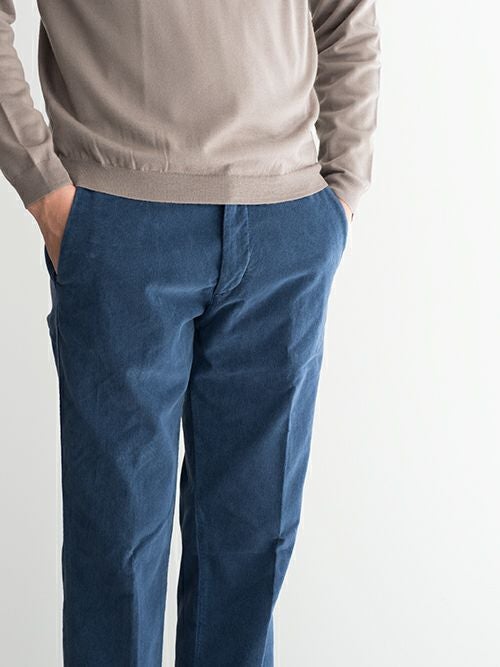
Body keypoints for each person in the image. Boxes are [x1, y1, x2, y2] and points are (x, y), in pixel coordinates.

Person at [0, 0, 381, 664]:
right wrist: (45, 191)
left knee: (252, 544)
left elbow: (346, 14)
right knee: (117, 548)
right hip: (121, 220)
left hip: (283, 221)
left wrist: (342, 188)